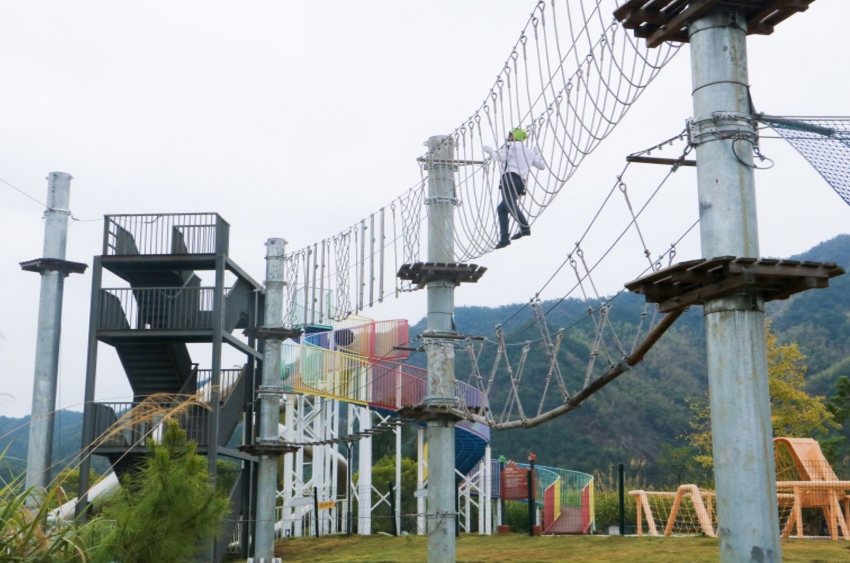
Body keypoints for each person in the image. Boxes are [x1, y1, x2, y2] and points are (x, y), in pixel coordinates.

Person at [483, 127, 545, 249]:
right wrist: (537, 153)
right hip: (520, 183)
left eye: (510, 134)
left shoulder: (510, 145)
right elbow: (541, 166)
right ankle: (504, 238)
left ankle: (524, 227)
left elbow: (500, 158)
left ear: (513, 136)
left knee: (509, 204)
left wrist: (490, 151)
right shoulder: (529, 152)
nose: (508, 136)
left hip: (509, 178)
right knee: (502, 208)